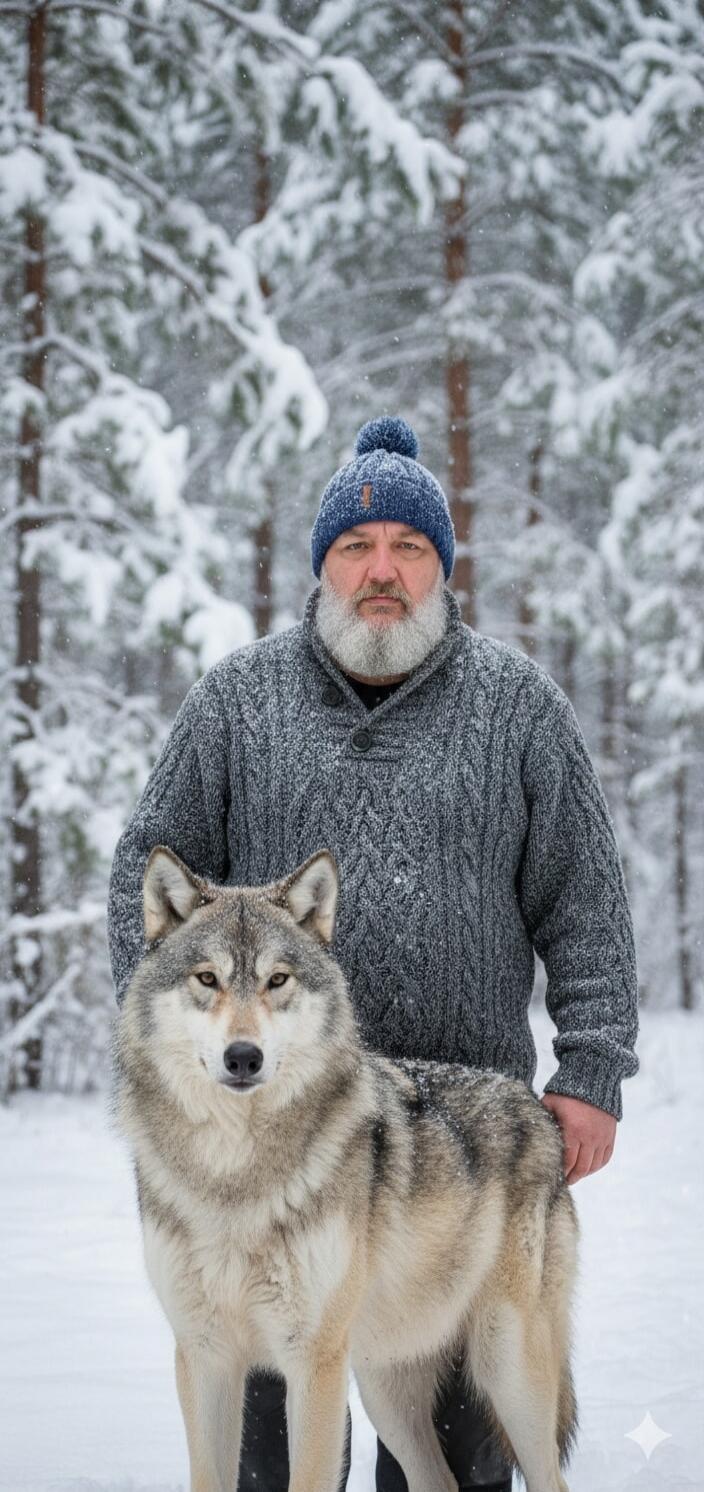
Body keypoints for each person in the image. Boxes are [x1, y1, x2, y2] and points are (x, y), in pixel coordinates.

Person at [107, 413, 639, 1492]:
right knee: (269, 1456)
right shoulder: (236, 699)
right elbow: (144, 881)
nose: (381, 572)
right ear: (322, 567)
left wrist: (588, 1069)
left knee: (458, 1460)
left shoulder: (516, 707)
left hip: (449, 1158)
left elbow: (584, 899)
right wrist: (186, 1035)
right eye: (356, 548)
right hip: (262, 1144)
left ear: (442, 567)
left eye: (408, 547)